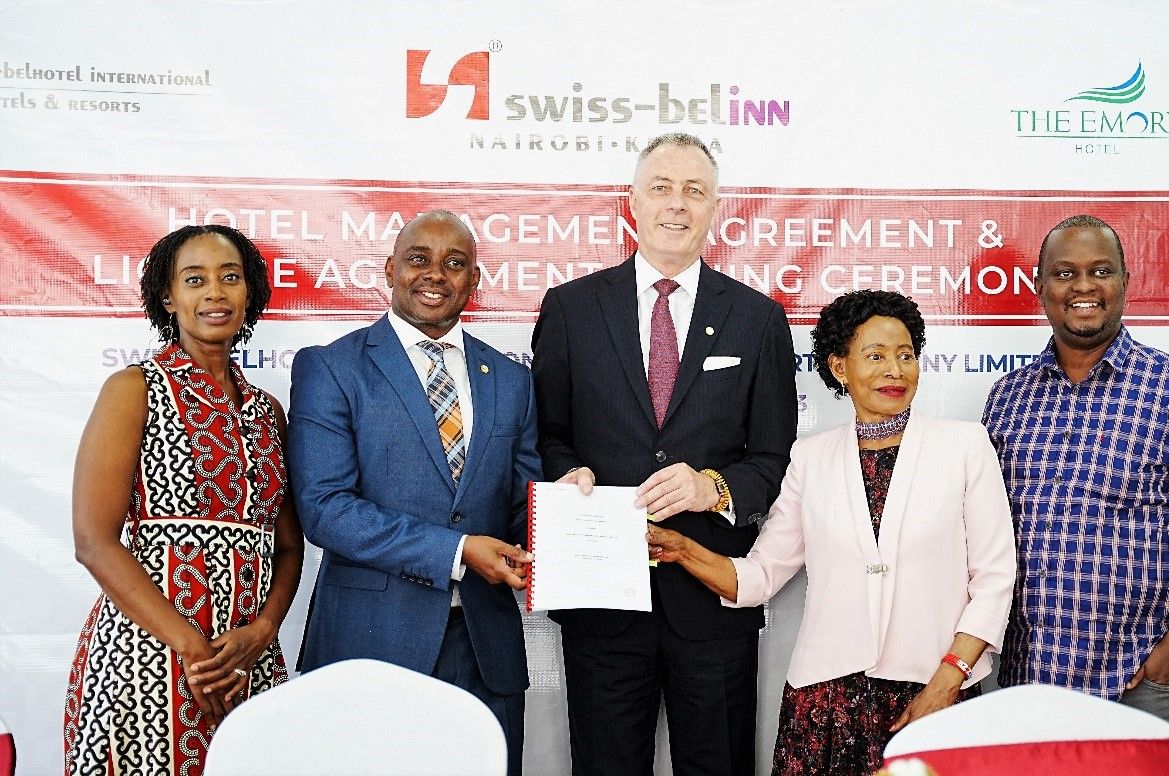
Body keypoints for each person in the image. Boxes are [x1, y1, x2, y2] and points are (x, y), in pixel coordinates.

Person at [647, 290, 1017, 776]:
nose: (895, 370)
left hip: (934, 694)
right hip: (825, 707)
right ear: (840, 367)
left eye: (906, 355)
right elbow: (759, 577)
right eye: (876, 356)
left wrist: (948, 682)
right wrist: (681, 549)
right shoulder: (809, 457)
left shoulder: (965, 446)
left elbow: (994, 579)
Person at [531, 132, 798, 776]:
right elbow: (544, 434)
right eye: (661, 187)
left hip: (712, 598)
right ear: (632, 201)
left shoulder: (758, 319)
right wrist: (567, 473)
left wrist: (716, 488)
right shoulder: (571, 309)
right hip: (600, 598)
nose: (676, 203)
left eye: (694, 190)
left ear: (715, 209)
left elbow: (774, 456)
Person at [289, 210, 538, 776]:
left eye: (455, 263)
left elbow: (523, 507)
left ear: (474, 280)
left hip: (484, 648)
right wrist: (457, 551)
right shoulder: (332, 367)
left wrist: (569, 513)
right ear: (390, 269)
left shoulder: (512, 380)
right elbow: (326, 510)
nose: (436, 275)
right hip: (370, 642)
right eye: (419, 259)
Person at [982, 214, 1169, 741]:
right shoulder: (1007, 398)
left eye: (1100, 271)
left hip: (1141, 678)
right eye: (1065, 273)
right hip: (1031, 678)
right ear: (1040, 287)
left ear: (1125, 282)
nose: (1083, 287)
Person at [64, 225, 304, 776]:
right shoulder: (134, 389)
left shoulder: (268, 412)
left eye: (230, 278)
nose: (215, 292)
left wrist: (264, 631)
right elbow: (93, 542)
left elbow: (289, 547)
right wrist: (196, 653)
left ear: (250, 292)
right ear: (168, 297)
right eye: (195, 280)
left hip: (246, 663)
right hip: (148, 661)